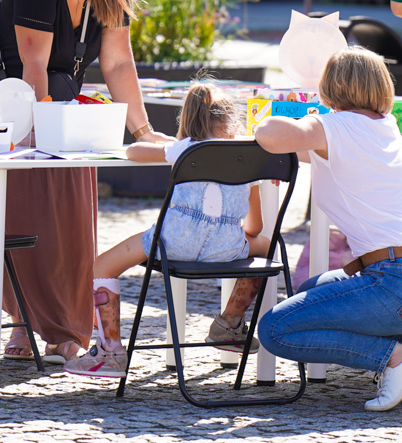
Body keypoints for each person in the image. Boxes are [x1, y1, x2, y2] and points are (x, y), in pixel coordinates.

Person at [0, 0, 172, 364]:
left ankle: (62, 329)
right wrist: (40, 132)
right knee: (20, 208)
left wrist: (144, 130)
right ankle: (20, 325)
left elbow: (117, 64)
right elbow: (32, 63)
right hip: (1, 102)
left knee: (69, 207)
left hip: (58, 110)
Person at [256, 47, 402, 412]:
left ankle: (396, 357)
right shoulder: (382, 128)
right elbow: (328, 153)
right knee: (312, 288)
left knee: (274, 329)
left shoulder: (334, 126)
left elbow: (270, 135)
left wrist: (293, 119)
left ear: (331, 87)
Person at [64, 82, 271, 378]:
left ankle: (110, 351)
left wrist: (164, 145)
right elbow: (255, 227)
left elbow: (134, 152)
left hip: (173, 243)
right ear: (232, 120)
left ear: (188, 120)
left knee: (103, 265)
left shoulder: (184, 148)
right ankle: (230, 323)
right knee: (266, 246)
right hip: (227, 247)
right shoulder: (251, 159)